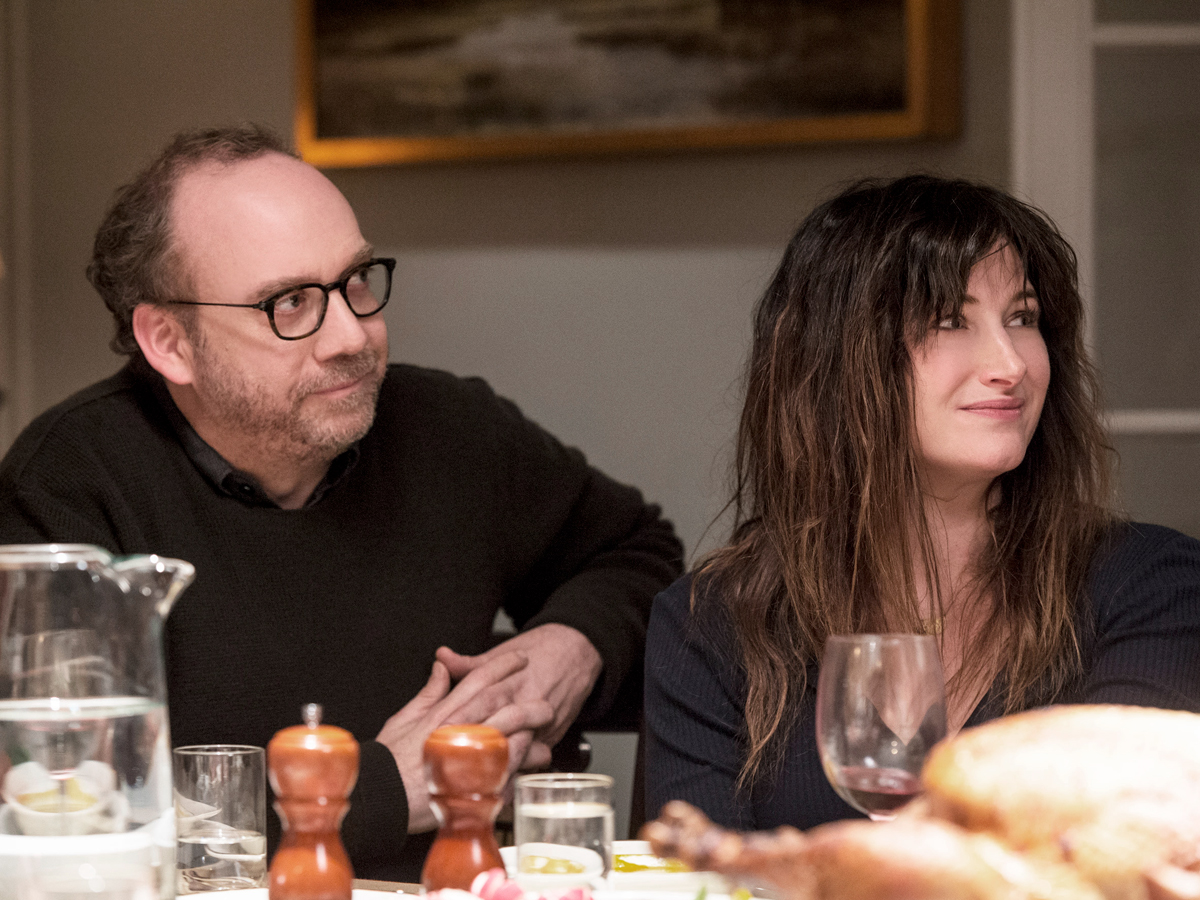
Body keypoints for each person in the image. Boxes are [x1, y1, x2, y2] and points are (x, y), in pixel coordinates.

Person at [0, 125, 682, 879]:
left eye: (356, 279)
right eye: (290, 303)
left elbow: (640, 554)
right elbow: (69, 819)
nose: (352, 336)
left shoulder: (450, 429)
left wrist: (571, 646)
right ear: (170, 341)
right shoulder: (67, 486)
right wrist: (381, 790)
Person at [644, 175, 1200, 832]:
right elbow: (701, 873)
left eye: (1022, 318)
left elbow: (1116, 853)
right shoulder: (713, 621)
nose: (1011, 364)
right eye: (950, 321)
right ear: (838, 359)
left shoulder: (1152, 587)